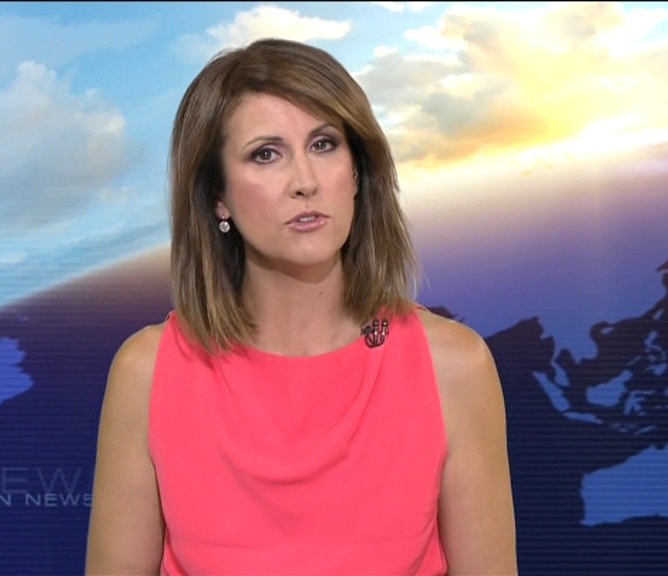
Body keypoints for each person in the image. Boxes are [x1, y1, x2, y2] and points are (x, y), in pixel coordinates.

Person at [85, 37, 517, 575]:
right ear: (217, 196)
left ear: (356, 172)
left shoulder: (453, 366)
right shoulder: (148, 372)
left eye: (324, 145)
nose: (305, 182)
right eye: (266, 154)